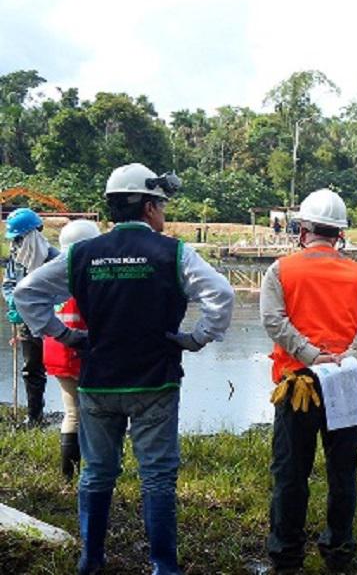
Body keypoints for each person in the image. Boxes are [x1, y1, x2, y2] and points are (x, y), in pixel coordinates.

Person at [14, 163, 235, 575]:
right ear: (150, 207)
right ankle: (164, 566)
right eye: (162, 206)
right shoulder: (174, 253)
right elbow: (219, 294)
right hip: (156, 380)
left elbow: (27, 294)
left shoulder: (82, 254)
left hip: (98, 381)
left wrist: (63, 335)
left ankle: (91, 559)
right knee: (157, 477)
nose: (164, 213)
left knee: (97, 473)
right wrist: (196, 338)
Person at [260, 188, 357, 574]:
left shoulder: (280, 271)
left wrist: (310, 355)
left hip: (298, 384)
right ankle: (339, 552)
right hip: (347, 384)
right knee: (342, 472)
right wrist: (347, 358)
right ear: (340, 235)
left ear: (302, 230)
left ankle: (286, 557)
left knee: (290, 474)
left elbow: (273, 321)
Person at [42, 219, 101, 480]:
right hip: (85, 351)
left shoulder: (52, 273)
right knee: (96, 414)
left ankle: (68, 476)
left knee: (71, 412)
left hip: (57, 350)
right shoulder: (91, 275)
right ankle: (94, 470)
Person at [3, 207, 59, 425]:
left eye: (19, 237)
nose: (16, 243)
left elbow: (62, 293)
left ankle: (77, 417)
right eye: (14, 238)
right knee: (32, 368)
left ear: (34, 234)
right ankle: (35, 416)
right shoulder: (16, 257)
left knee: (68, 369)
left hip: (52, 322)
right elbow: (9, 283)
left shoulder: (54, 259)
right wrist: (12, 301)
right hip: (27, 323)